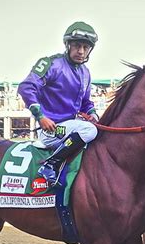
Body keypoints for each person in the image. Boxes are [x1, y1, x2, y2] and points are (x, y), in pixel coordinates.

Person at [18, 21, 99, 187]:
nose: (81, 51)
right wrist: (41, 117)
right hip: (51, 129)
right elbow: (26, 87)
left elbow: (86, 103)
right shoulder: (52, 64)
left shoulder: (86, 73)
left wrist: (94, 114)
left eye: (86, 47)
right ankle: (50, 165)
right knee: (89, 130)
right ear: (68, 45)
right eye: (77, 46)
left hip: (71, 127)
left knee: (96, 129)